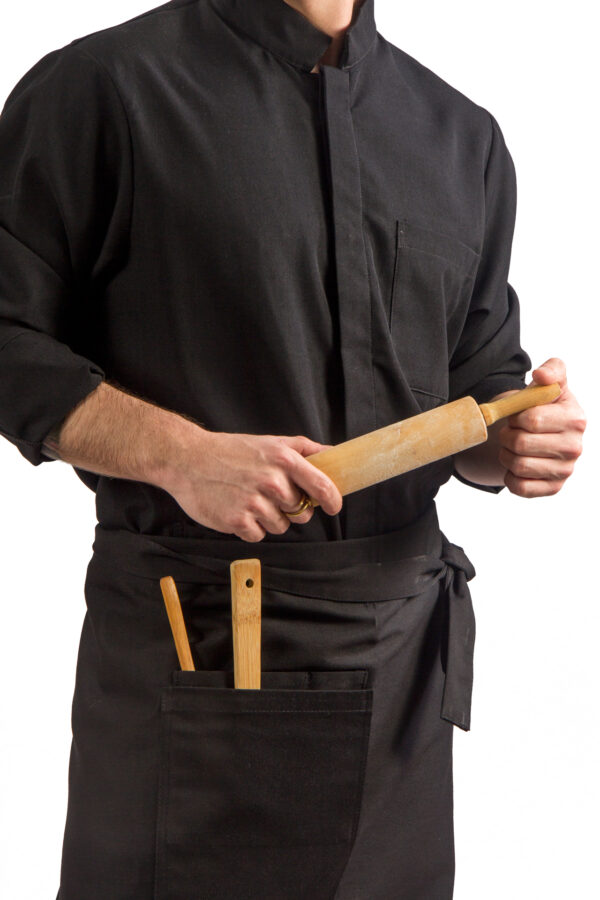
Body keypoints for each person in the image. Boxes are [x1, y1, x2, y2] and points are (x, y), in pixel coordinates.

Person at [0, 0, 586, 898]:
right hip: (197, 652)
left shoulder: (461, 133)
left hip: (404, 684)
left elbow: (478, 378)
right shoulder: (104, 89)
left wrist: (511, 440)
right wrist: (178, 454)